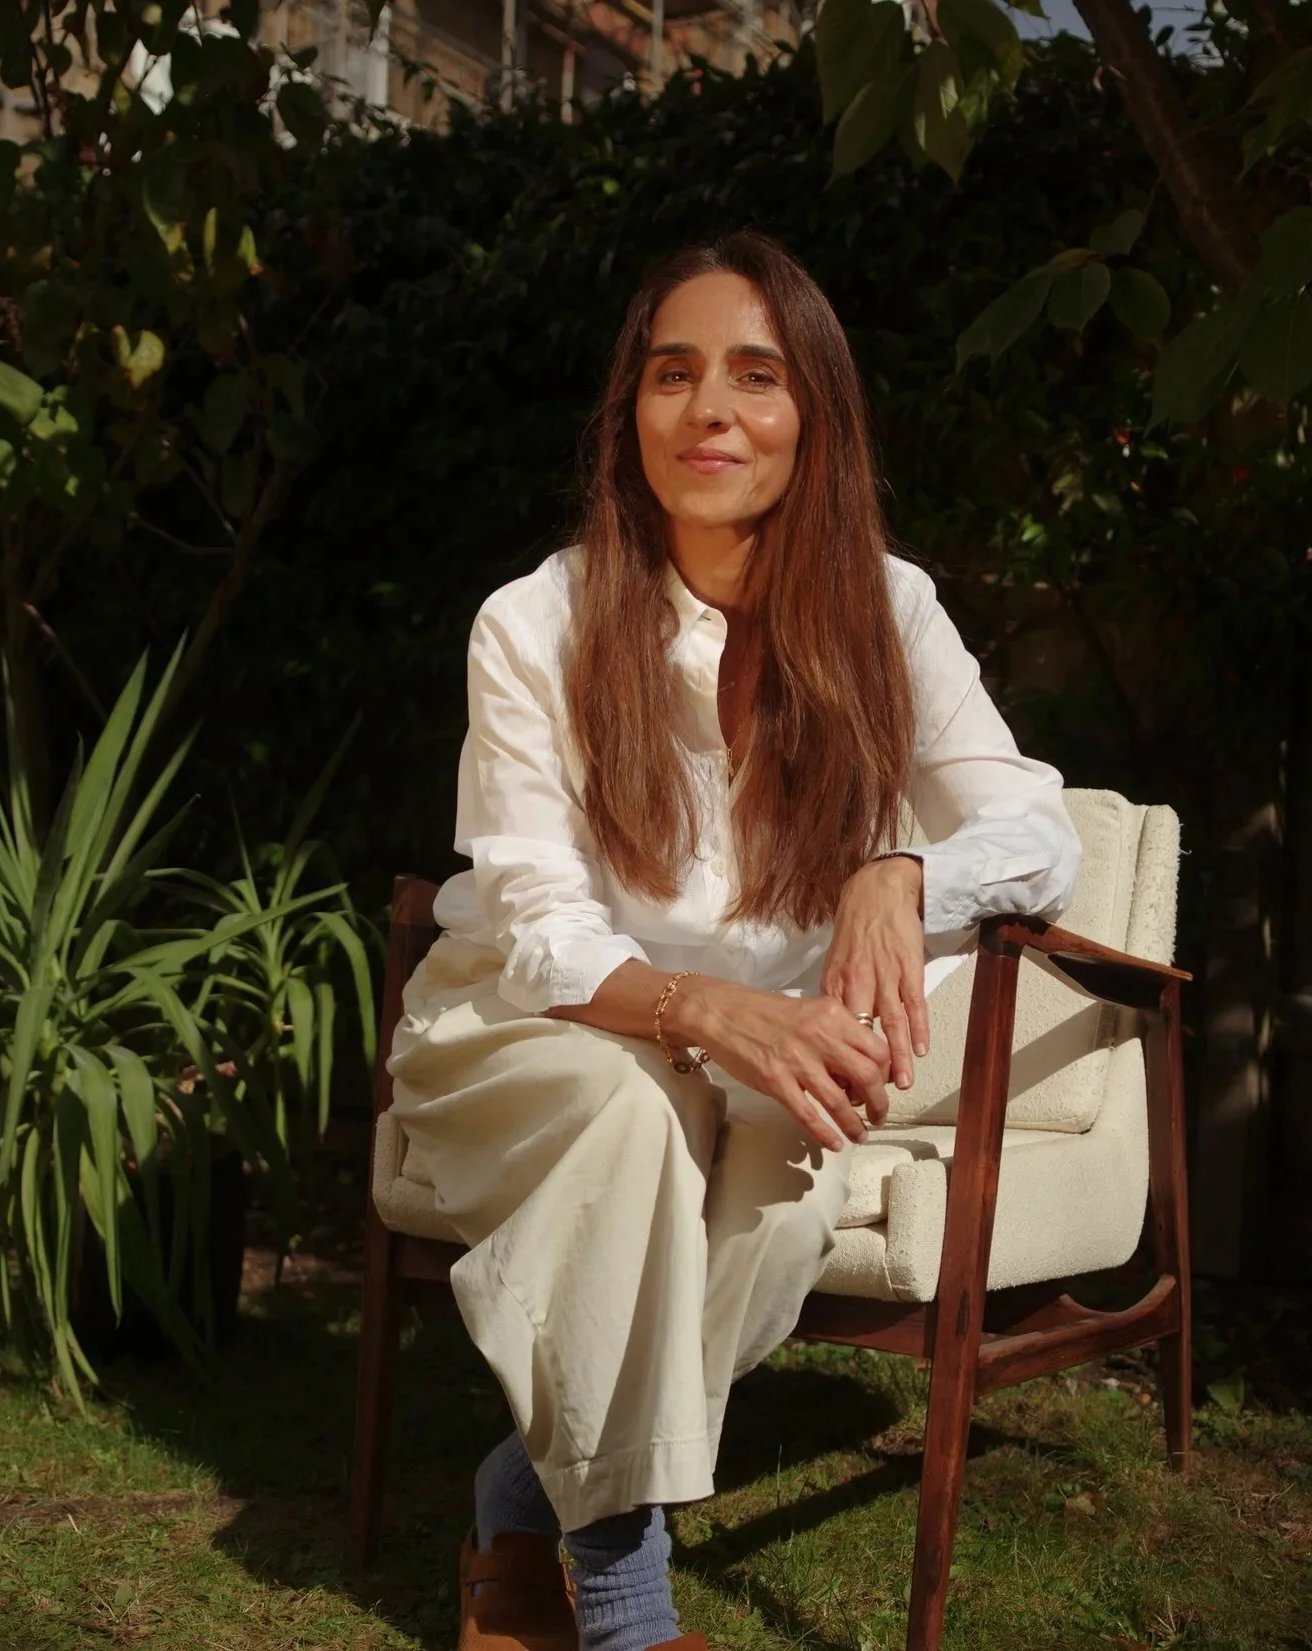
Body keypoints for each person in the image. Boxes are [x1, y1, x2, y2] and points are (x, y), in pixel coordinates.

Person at [386, 230, 1079, 1651]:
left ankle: (519, 1503)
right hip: (537, 1029)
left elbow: (1040, 829)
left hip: (762, 1051)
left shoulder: (890, 610)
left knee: (783, 1203)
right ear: (629, 413)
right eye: (674, 373)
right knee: (627, 1119)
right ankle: (633, 1610)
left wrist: (901, 865)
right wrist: (701, 1009)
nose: (712, 410)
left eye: (757, 376)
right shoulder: (536, 620)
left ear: (812, 415)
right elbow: (537, 926)